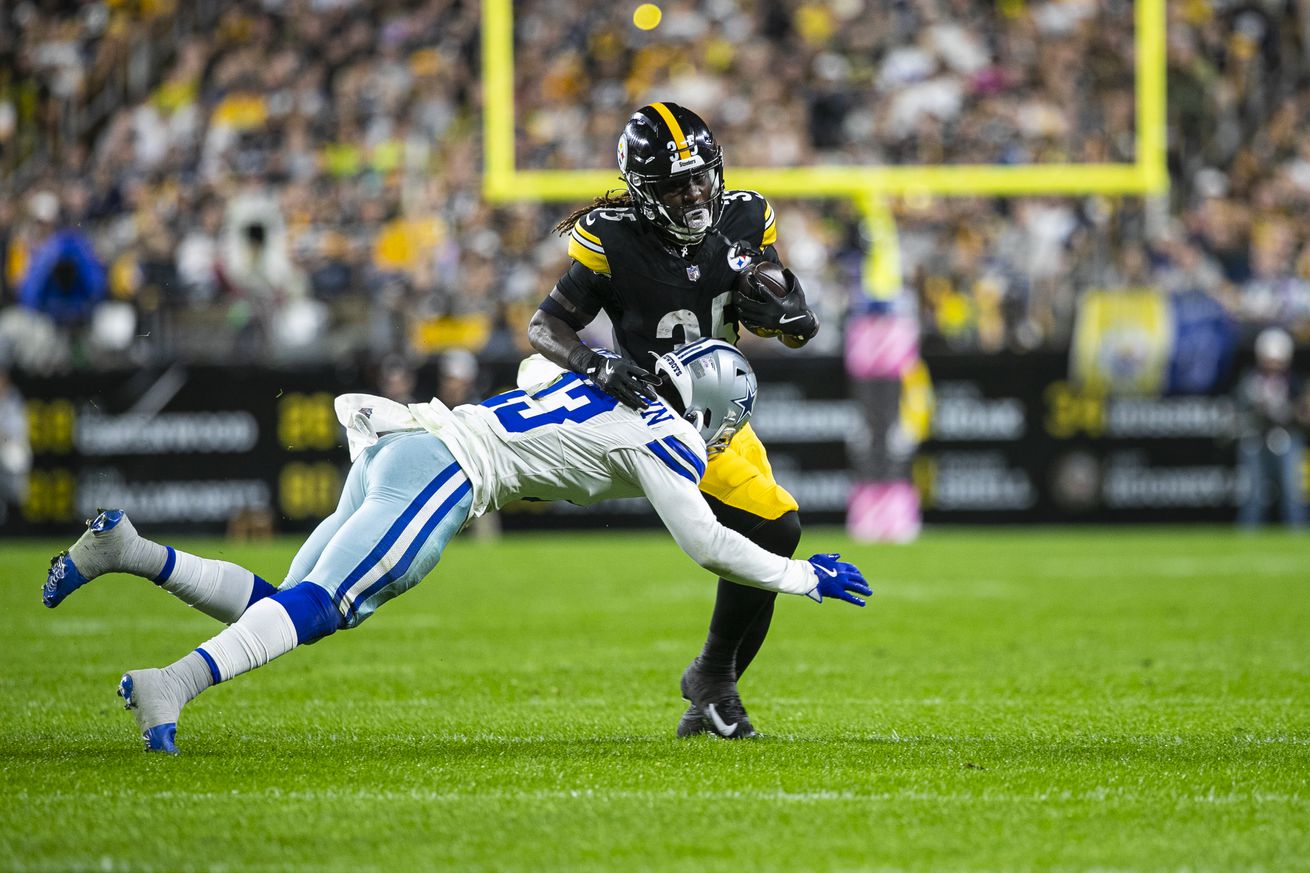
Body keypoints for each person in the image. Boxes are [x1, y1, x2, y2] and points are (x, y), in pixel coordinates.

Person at [42, 339, 870, 754]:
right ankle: (171, 683)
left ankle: (131, 552)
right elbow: (710, 544)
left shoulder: (613, 385)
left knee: (284, 603)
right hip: (444, 472)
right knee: (319, 607)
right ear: (719, 405)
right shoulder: (664, 434)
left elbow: (534, 367)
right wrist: (804, 576)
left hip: (408, 446)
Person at [527, 103, 820, 738]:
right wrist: (592, 363)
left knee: (771, 537)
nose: (692, 193)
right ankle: (713, 675)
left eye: (699, 176)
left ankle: (710, 701)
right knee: (777, 524)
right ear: (643, 188)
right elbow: (543, 324)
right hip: (660, 420)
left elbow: (757, 297)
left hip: (725, 414)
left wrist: (785, 316)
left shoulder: (745, 216)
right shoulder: (615, 239)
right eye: (674, 182)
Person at [1236, 327, 1308, 528]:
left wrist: (1290, 410)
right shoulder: (1250, 381)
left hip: (1286, 434)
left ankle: (1297, 534)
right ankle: (1248, 535)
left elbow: (1303, 413)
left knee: (1293, 492)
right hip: (1256, 436)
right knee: (1253, 493)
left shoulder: (1294, 382)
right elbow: (1239, 409)